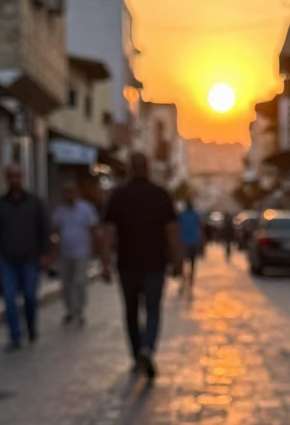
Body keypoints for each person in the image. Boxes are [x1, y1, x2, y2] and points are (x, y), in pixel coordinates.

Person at [100, 152, 182, 379]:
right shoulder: (161, 195)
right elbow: (172, 232)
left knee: (131, 311)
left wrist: (105, 263)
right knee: (153, 309)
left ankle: (137, 354)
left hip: (127, 264)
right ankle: (148, 347)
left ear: (129, 168)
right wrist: (177, 261)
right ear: (147, 168)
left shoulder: (118, 196)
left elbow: (107, 232)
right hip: (155, 263)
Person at [0, 163, 50, 351]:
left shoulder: (34, 203)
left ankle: (31, 327)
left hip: (29, 259)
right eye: (11, 177)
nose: (14, 180)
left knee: (30, 297)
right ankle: (15, 337)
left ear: (22, 178)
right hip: (8, 260)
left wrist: (44, 254)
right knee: (9, 299)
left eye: (17, 176)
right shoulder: (0, 204)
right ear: (6, 179)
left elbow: (43, 230)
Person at [52, 181, 99, 326]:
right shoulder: (60, 211)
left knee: (79, 282)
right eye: (67, 192)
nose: (69, 195)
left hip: (81, 252)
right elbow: (55, 230)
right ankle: (70, 311)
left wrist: (94, 248)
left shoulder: (86, 209)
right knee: (66, 284)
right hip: (65, 253)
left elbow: (93, 228)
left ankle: (80, 311)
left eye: (72, 192)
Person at [178, 199, 202, 289]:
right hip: (194, 241)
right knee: (192, 262)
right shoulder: (195, 215)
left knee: (183, 262)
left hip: (183, 241)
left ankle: (183, 278)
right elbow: (199, 228)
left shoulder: (182, 215)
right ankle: (191, 278)